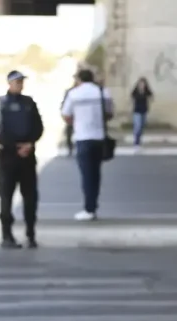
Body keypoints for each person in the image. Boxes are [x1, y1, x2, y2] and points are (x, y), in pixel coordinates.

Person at [0, 70, 44, 248]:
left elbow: (38, 126)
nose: (20, 85)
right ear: (9, 83)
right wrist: (16, 146)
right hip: (8, 157)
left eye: (21, 82)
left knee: (30, 198)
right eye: (17, 82)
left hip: (27, 156)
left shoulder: (29, 103)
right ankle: (7, 235)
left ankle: (30, 234)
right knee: (6, 197)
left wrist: (29, 144)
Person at [61, 69, 114, 221]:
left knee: (86, 175)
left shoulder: (74, 94)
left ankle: (88, 209)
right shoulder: (103, 92)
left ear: (79, 79)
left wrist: (77, 122)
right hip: (99, 138)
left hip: (83, 138)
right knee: (96, 174)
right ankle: (93, 205)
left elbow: (66, 114)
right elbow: (110, 113)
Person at [130, 77, 153, 150]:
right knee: (138, 126)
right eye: (140, 83)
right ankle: (136, 143)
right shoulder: (136, 91)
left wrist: (146, 94)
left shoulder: (146, 91)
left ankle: (138, 140)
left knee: (142, 126)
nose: (142, 85)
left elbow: (151, 95)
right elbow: (133, 96)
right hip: (137, 111)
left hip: (144, 111)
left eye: (143, 84)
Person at [61, 79, 79, 156]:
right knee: (69, 132)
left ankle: (75, 147)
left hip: (78, 115)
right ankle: (70, 147)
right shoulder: (70, 91)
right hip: (71, 115)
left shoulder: (80, 92)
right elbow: (64, 102)